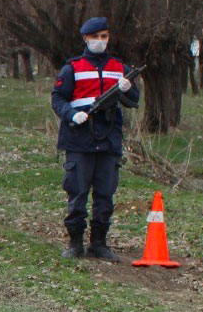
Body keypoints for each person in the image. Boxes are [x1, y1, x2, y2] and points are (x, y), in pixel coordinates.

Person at [51, 16, 139, 261]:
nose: (101, 41)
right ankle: (75, 243)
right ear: (85, 39)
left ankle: (99, 243)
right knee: (77, 192)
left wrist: (126, 89)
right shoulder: (73, 68)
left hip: (109, 140)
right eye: (96, 37)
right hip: (80, 140)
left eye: (104, 37)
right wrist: (72, 114)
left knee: (105, 195)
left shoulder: (119, 67)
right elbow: (57, 98)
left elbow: (134, 100)